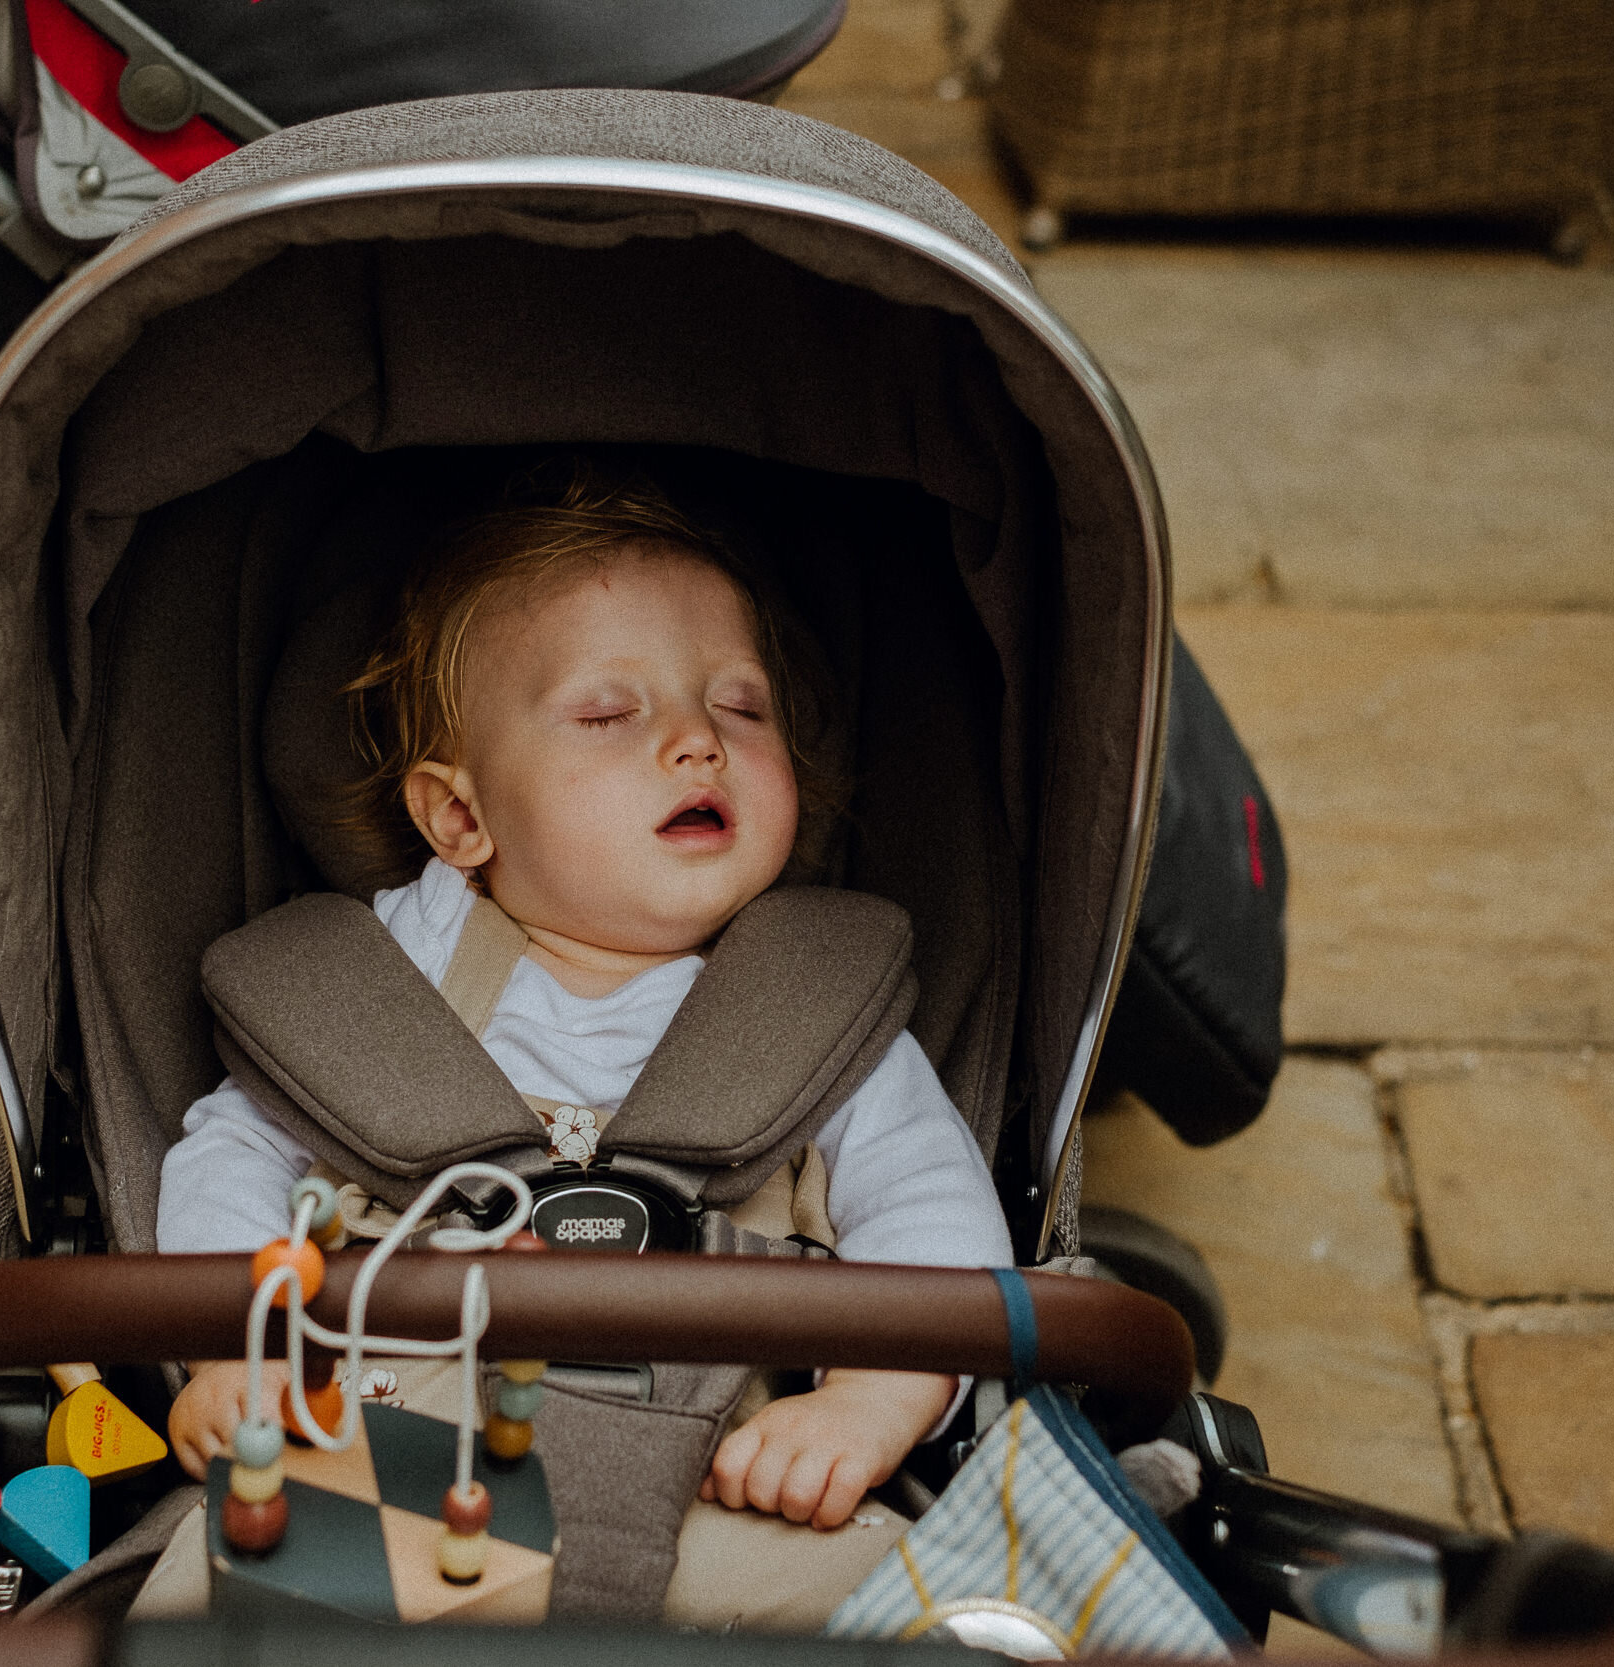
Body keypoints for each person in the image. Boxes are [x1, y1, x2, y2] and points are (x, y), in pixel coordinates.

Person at [146, 461, 1012, 1628]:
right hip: (394, 1469)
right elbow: (233, 1155)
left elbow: (934, 1215)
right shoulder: (375, 978)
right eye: (611, 713)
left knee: (956, 1608)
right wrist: (230, 1350)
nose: (698, 742)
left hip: (728, 1488)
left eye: (742, 707)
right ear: (460, 816)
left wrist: (868, 1404)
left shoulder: (820, 1010)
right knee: (202, 1595)